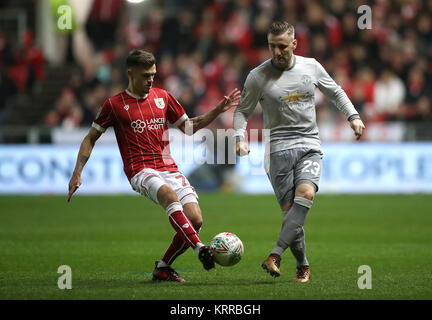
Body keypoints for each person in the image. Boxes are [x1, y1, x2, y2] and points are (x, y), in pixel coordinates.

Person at [68, 49, 241, 282]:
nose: (150, 79)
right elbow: (90, 137)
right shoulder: (114, 105)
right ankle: (200, 248)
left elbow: (189, 126)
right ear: (131, 73)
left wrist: (218, 109)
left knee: (196, 220)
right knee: (169, 196)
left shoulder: (164, 97)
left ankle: (163, 267)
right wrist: (78, 172)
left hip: (168, 167)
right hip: (140, 170)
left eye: (153, 74)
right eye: (145, 75)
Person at [233, 21, 365, 283]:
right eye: (272, 46)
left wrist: (353, 116)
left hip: (309, 144)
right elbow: (242, 111)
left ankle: (275, 254)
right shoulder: (257, 76)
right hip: (276, 150)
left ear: (294, 44)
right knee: (291, 214)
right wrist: (239, 138)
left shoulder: (311, 67)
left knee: (307, 194)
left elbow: (336, 92)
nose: (277, 52)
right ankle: (303, 265)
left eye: (282, 46)